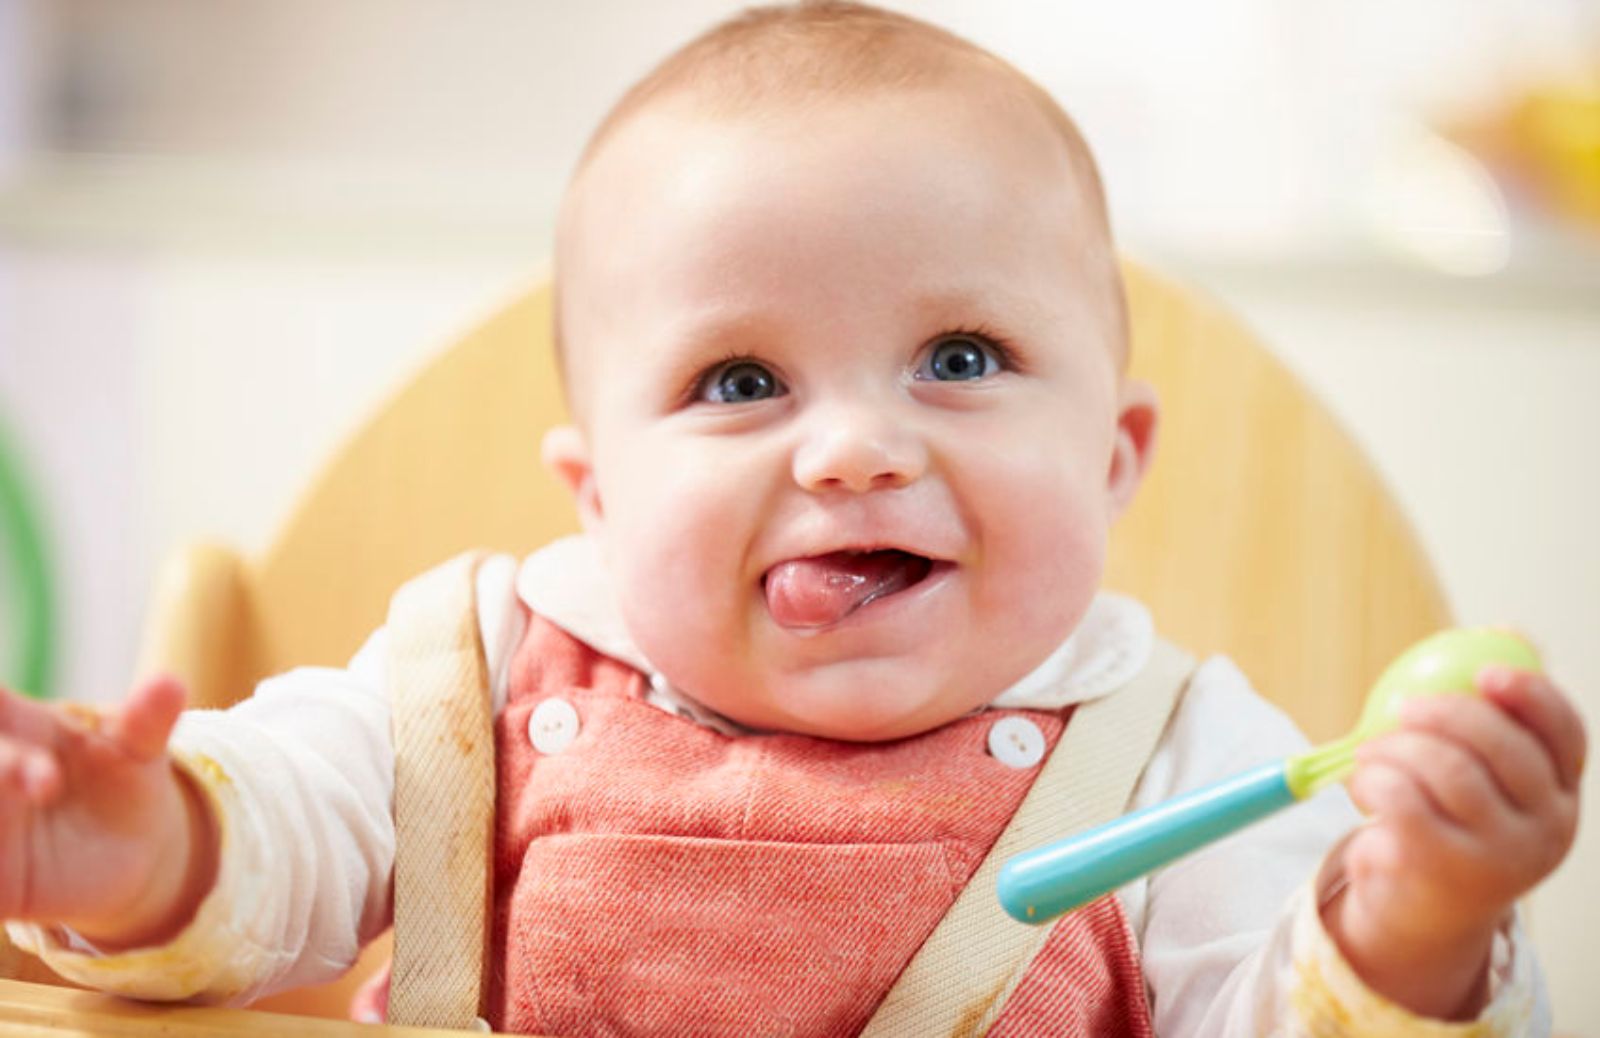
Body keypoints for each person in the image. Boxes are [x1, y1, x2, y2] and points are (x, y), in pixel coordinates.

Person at [0, 4, 1585, 1035]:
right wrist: (140, 843)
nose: (851, 450)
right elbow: (281, 834)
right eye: (740, 377)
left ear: (1114, 458)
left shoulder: (1190, 755)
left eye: (962, 357)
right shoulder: (469, 678)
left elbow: (1273, 1013)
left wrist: (1414, 923)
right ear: (601, 500)